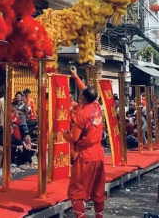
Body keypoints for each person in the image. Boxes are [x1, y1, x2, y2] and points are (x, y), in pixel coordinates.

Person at [62, 86, 105, 218]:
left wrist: (65, 135)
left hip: (85, 156)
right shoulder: (96, 106)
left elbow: (73, 137)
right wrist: (76, 77)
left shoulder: (81, 115)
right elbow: (86, 89)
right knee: (98, 189)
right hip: (99, 153)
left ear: (83, 98)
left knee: (76, 192)